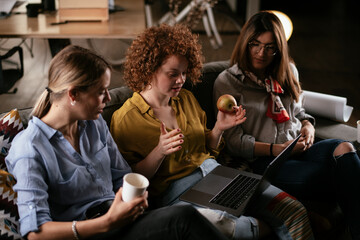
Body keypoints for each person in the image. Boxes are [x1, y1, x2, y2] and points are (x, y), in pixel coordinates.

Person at [110, 24, 315, 240]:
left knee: (294, 210)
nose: (181, 80)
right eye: (173, 74)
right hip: (177, 193)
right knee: (226, 227)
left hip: (217, 174)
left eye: (184, 73)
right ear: (149, 69)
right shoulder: (125, 119)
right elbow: (129, 180)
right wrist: (159, 152)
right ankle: (264, 226)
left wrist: (219, 128)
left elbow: (207, 147)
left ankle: (270, 223)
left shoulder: (186, 99)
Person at [5, 45, 230, 240]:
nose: (109, 98)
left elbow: (121, 176)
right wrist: (107, 222)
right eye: (101, 92)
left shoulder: (94, 125)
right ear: (73, 95)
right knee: (183, 219)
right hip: (91, 230)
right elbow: (36, 233)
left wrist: (133, 201)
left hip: (121, 220)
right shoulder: (30, 148)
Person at [213, 11, 360, 239]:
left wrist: (308, 126)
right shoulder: (228, 82)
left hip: (299, 148)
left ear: (279, 48)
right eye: (255, 44)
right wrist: (276, 150)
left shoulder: (288, 71)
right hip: (266, 161)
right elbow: (233, 142)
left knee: (346, 149)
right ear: (245, 43)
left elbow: (298, 111)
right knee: (338, 171)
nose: (262, 53)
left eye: (270, 47)